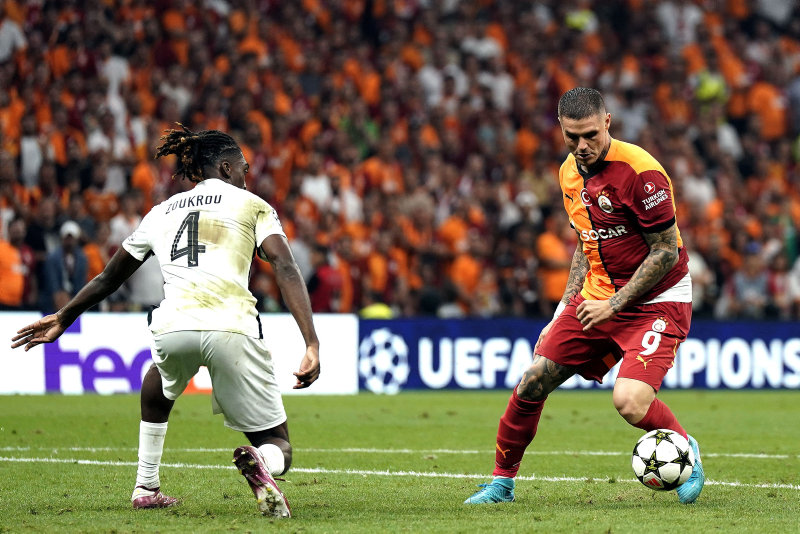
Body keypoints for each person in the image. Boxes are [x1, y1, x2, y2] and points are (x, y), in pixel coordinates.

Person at [12, 126, 321, 518]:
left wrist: (64, 316)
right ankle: (263, 460)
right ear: (226, 168)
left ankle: (145, 486)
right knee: (279, 442)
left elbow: (109, 277)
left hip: (173, 326)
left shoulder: (162, 211)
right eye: (243, 168)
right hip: (232, 326)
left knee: (159, 377)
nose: (247, 175)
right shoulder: (252, 205)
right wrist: (311, 342)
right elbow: (284, 266)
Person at [464, 87, 704, 505]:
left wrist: (614, 304)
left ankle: (686, 448)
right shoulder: (568, 173)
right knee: (532, 381)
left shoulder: (642, 174)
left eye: (591, 134)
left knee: (629, 402)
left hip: (657, 300)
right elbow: (585, 243)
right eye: (572, 137)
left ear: (607, 122)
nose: (582, 145)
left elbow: (666, 251)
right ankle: (501, 484)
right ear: (560, 129)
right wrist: (562, 311)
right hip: (597, 296)